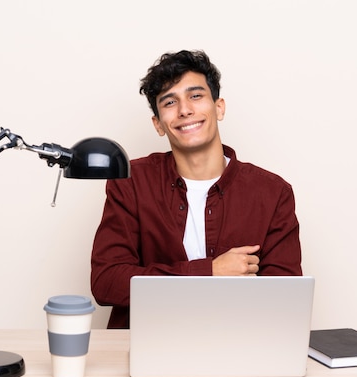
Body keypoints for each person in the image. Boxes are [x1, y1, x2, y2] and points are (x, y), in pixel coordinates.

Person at [91, 50, 302, 328]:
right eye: (169, 102)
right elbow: (107, 282)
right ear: (158, 125)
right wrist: (209, 271)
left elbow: (284, 300)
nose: (184, 110)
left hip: (239, 347)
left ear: (219, 107)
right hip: (150, 343)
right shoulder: (131, 182)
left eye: (196, 96)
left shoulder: (272, 193)